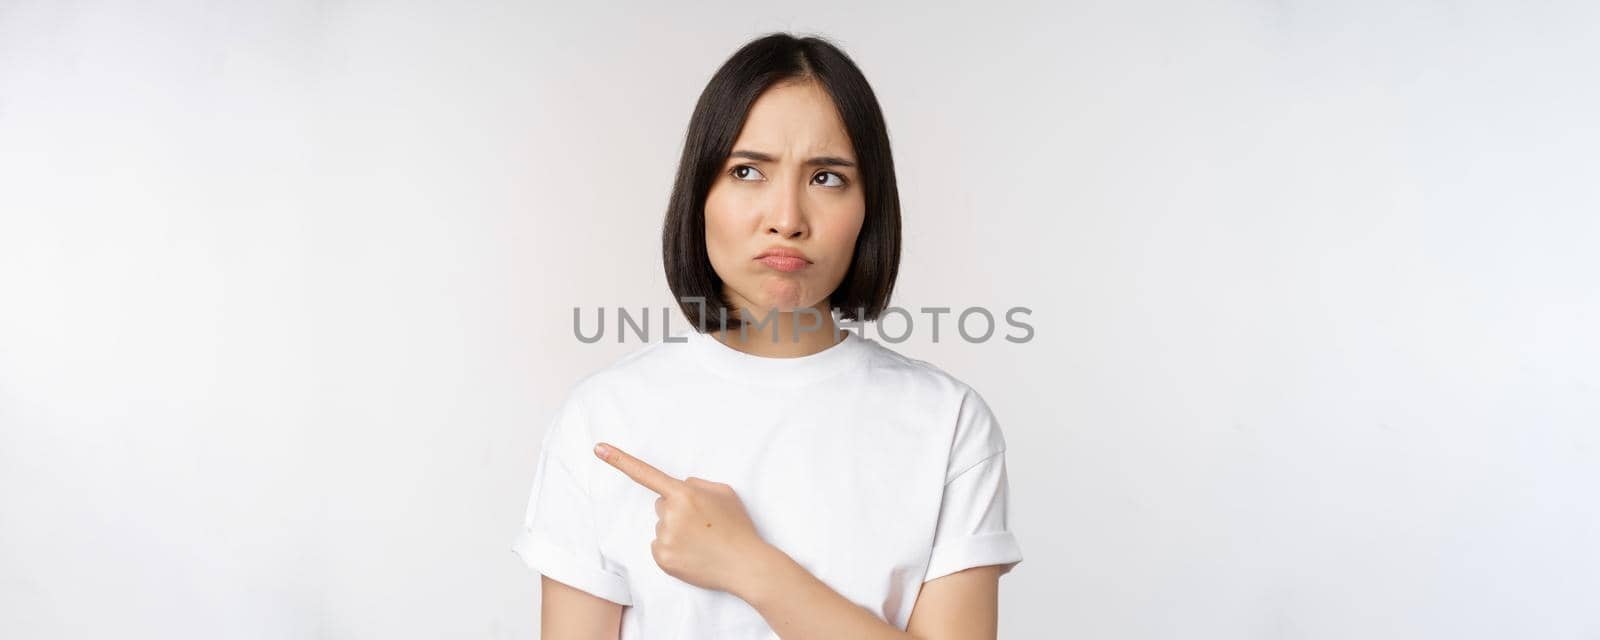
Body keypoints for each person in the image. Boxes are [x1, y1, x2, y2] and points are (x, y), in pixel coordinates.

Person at [512, 32, 1022, 639]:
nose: (786, 219)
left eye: (827, 178)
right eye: (747, 171)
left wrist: (747, 565)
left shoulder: (948, 424)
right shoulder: (605, 419)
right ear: (700, 194)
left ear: (870, 208)